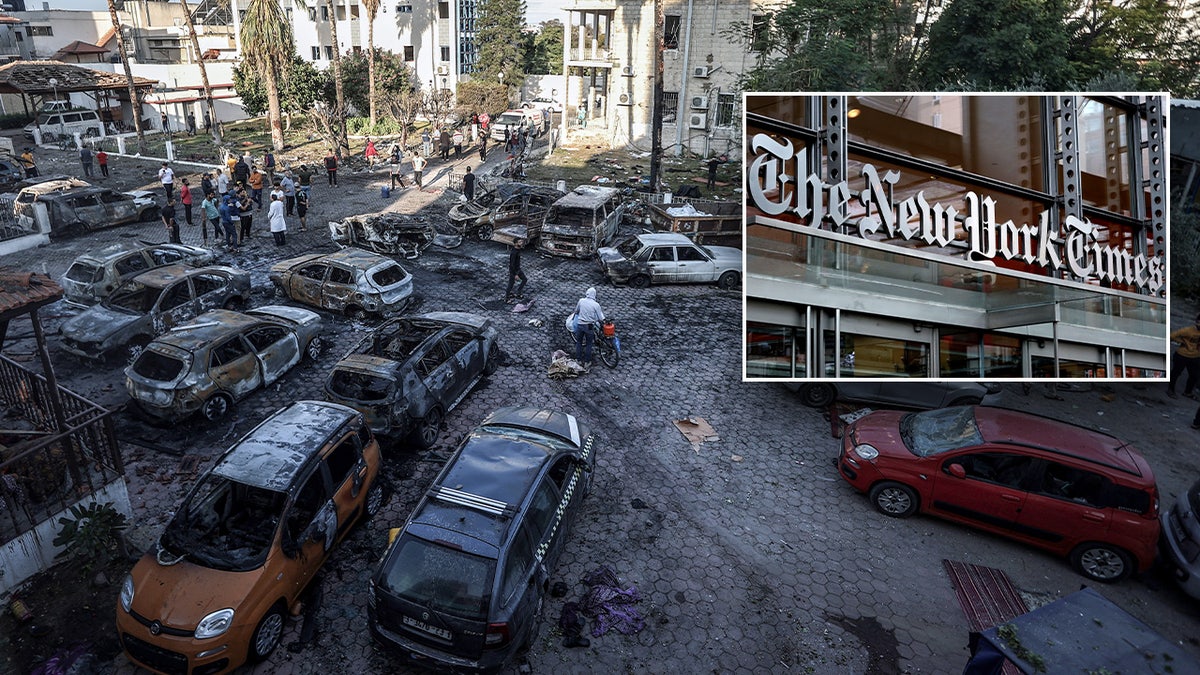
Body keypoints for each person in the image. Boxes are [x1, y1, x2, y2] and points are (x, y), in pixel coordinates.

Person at [1169, 314, 1200, 399]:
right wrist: (1181, 341)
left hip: (1195, 356)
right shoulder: (1187, 330)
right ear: (1197, 322)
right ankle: (1170, 390)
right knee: (1176, 373)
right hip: (1182, 355)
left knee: (1194, 375)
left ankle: (1188, 392)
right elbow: (1171, 336)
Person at [573, 287, 605, 370]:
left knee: (579, 342)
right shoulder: (596, 305)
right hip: (589, 326)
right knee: (589, 344)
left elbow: (576, 311)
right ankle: (587, 362)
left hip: (580, 324)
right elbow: (600, 318)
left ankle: (578, 360)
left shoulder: (581, 301)